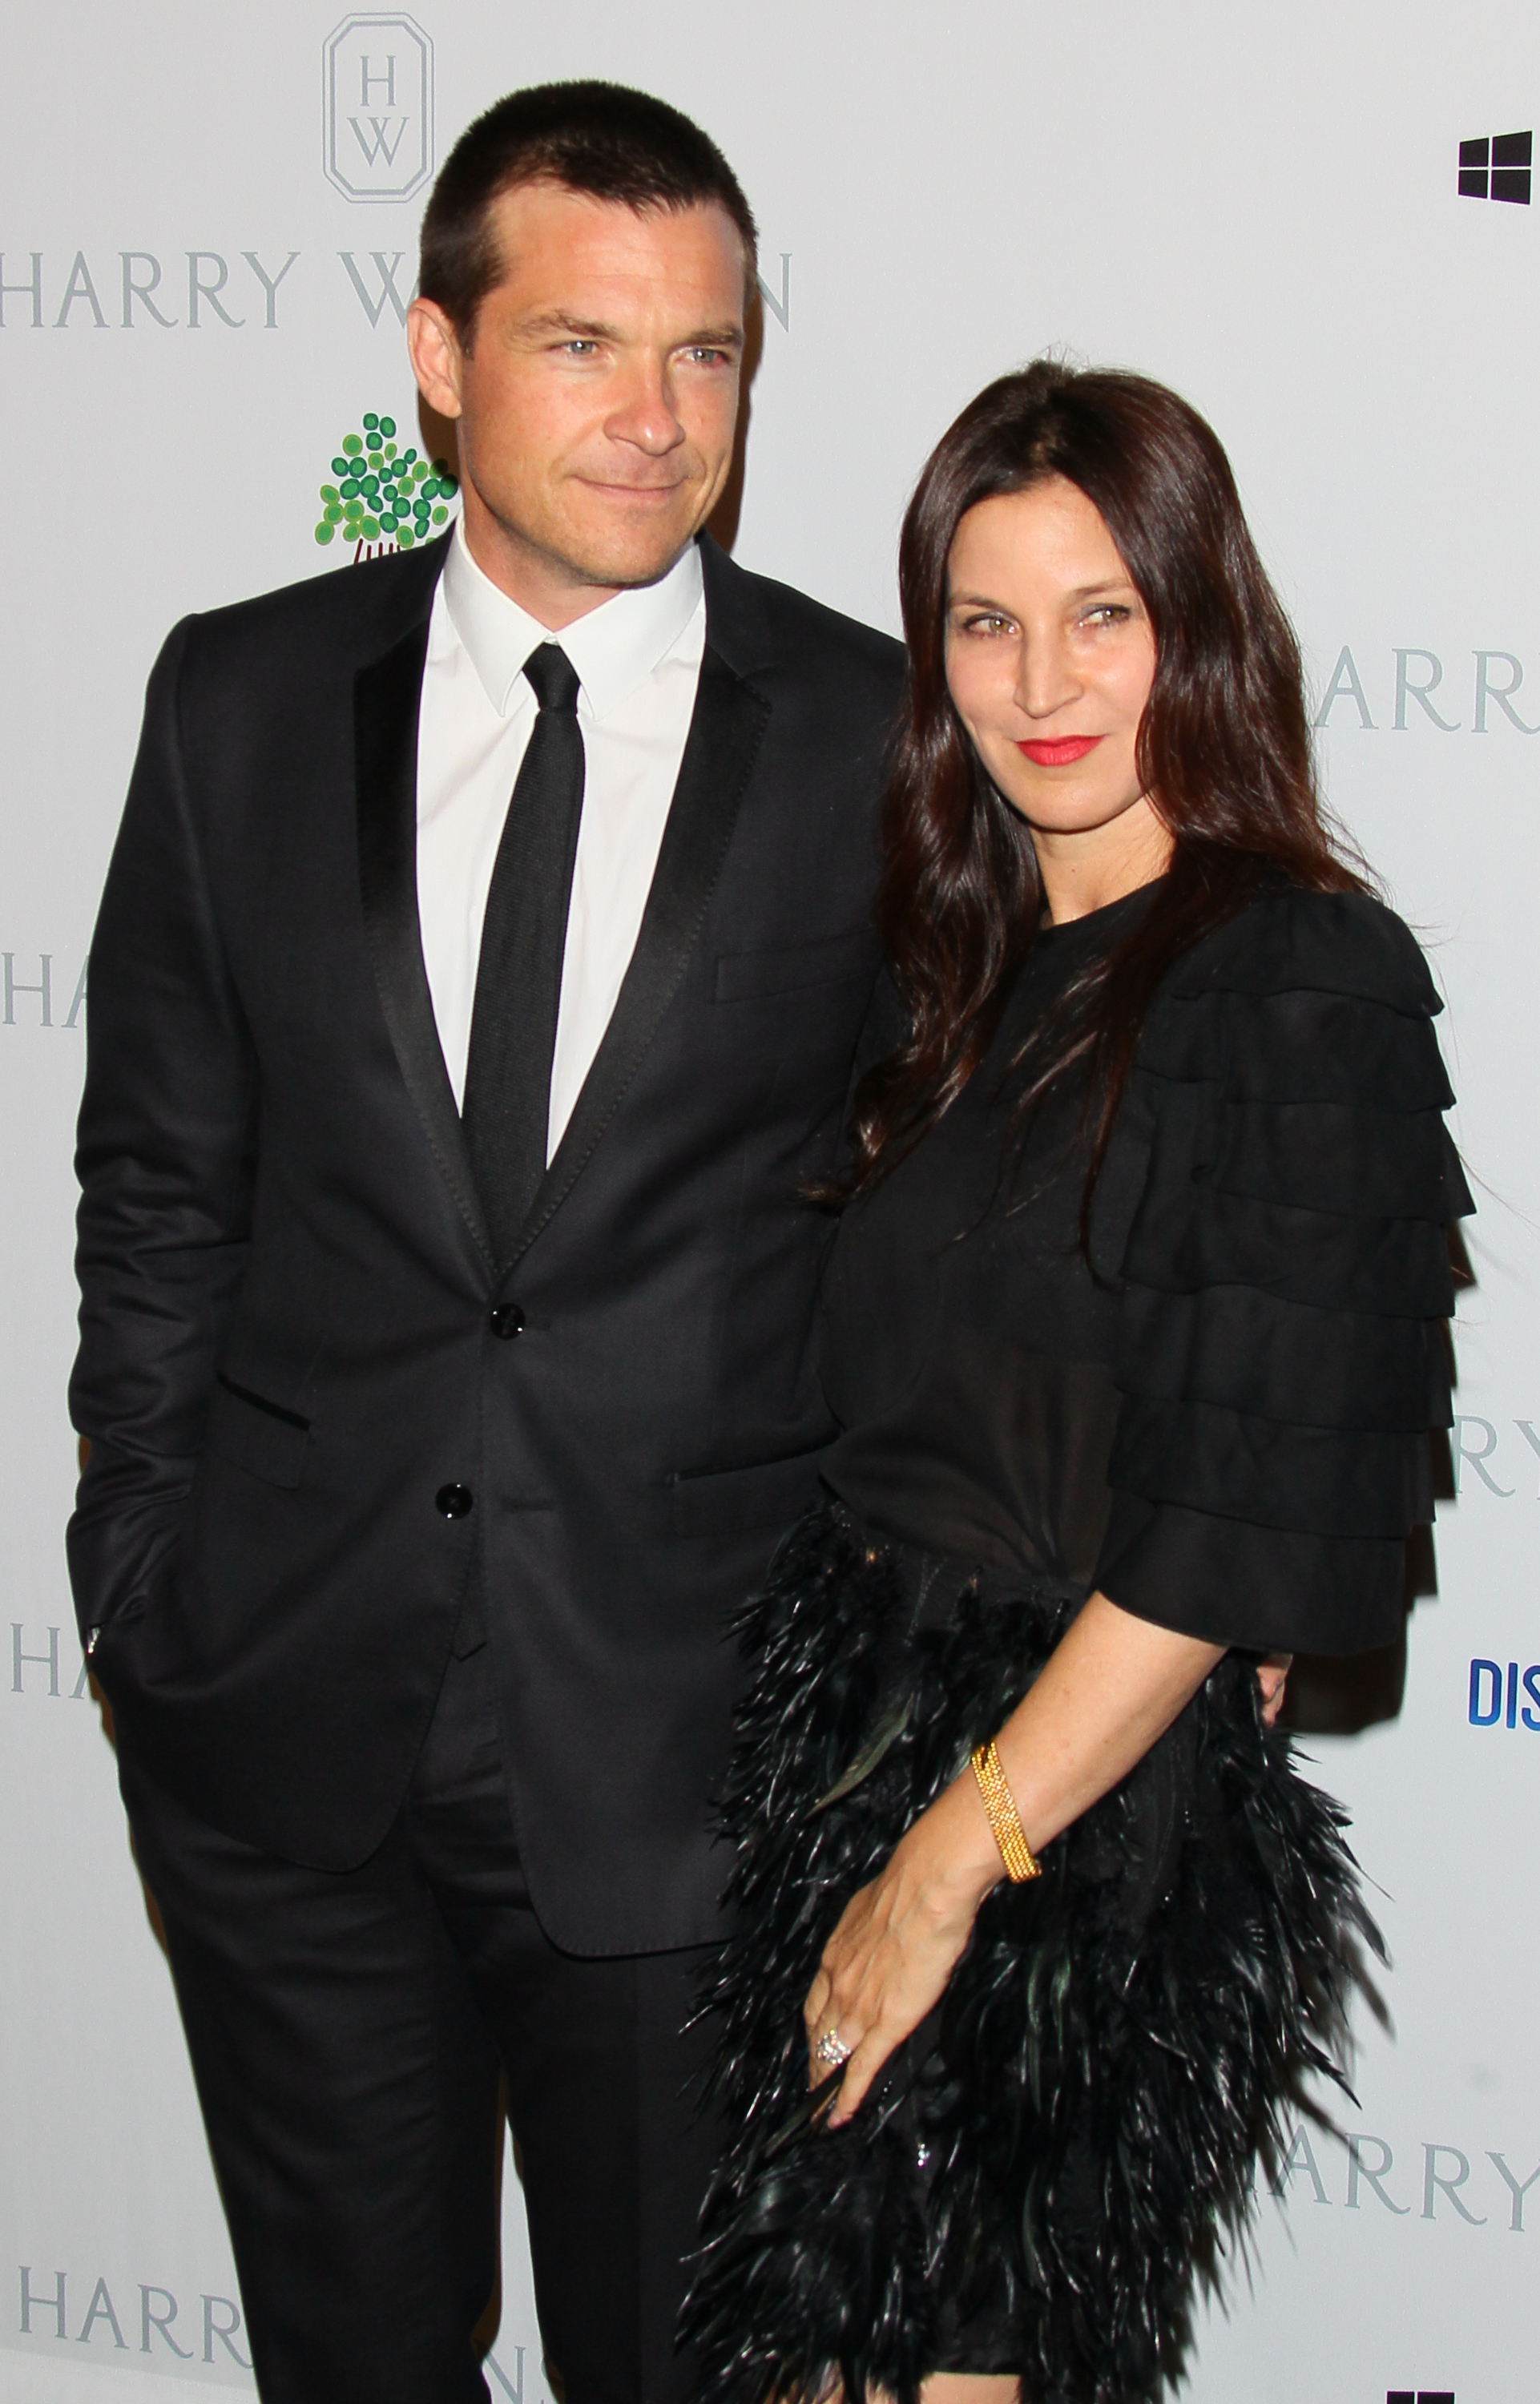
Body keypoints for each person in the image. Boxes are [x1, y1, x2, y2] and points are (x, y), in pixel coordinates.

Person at [67, 80, 903, 2404]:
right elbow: (160, 1181)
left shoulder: (869, 731)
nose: (655, 418)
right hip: (282, 1736)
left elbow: (950, 1235)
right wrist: (140, 1582)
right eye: (580, 345)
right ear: (434, 355)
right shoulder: (236, 696)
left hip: (691, 1760)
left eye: (708, 355)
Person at [685, 361, 1469, 2404]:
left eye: (1104, 611)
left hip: (1057, 1841)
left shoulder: (1297, 983)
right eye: (985, 618)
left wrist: (944, 1870)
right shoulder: (961, 973)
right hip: (851, 1764)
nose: (1044, 679)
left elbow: (1227, 1532)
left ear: (1200, 625)